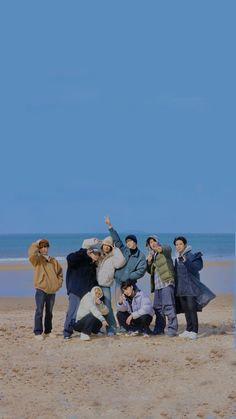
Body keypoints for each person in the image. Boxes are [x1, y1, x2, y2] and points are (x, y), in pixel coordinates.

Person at [173, 236, 215, 340]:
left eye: (180, 244)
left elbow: (196, 269)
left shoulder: (192, 256)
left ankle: (194, 331)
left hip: (191, 287)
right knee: (186, 309)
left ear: (185, 245)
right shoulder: (176, 258)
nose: (178, 246)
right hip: (180, 288)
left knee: (192, 309)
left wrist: (186, 261)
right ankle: (188, 329)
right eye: (176, 245)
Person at [82, 236, 126, 336]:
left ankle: (112, 329)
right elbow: (85, 246)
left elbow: (121, 261)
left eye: (108, 246)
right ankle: (94, 329)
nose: (106, 247)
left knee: (107, 307)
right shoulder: (98, 256)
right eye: (105, 245)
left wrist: (116, 249)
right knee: (94, 307)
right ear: (102, 246)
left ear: (111, 247)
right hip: (95, 286)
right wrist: (93, 242)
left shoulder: (113, 258)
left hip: (105, 286)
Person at [28, 239, 63, 341]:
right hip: (41, 289)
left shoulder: (53, 260)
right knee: (39, 311)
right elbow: (31, 254)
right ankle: (38, 332)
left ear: (48, 248)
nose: (44, 249)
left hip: (52, 291)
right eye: (42, 247)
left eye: (46, 247)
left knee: (49, 312)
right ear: (39, 249)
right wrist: (36, 243)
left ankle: (48, 331)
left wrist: (58, 284)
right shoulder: (37, 260)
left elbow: (60, 273)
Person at [63, 246, 100, 340]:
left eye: (98, 254)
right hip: (75, 291)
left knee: (91, 311)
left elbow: (93, 282)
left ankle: (91, 329)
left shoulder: (92, 266)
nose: (97, 255)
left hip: (86, 294)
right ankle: (67, 332)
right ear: (90, 253)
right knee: (72, 312)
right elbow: (69, 258)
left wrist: (97, 293)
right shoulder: (79, 260)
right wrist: (84, 251)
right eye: (94, 253)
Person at [146, 235, 178, 337]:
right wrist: (149, 262)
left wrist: (161, 249)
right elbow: (150, 272)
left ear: (158, 241)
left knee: (168, 306)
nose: (152, 243)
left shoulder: (164, 250)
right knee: (157, 308)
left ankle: (172, 329)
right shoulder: (152, 255)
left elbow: (168, 249)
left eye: (154, 241)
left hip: (167, 282)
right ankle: (159, 329)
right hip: (157, 285)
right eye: (150, 242)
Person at [104, 216, 146, 291]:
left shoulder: (141, 256)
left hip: (130, 284)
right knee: (119, 302)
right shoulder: (124, 250)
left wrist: (129, 275)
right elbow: (117, 240)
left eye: (130, 241)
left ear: (135, 242)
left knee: (132, 301)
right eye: (127, 242)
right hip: (118, 282)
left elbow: (141, 271)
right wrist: (110, 227)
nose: (128, 243)